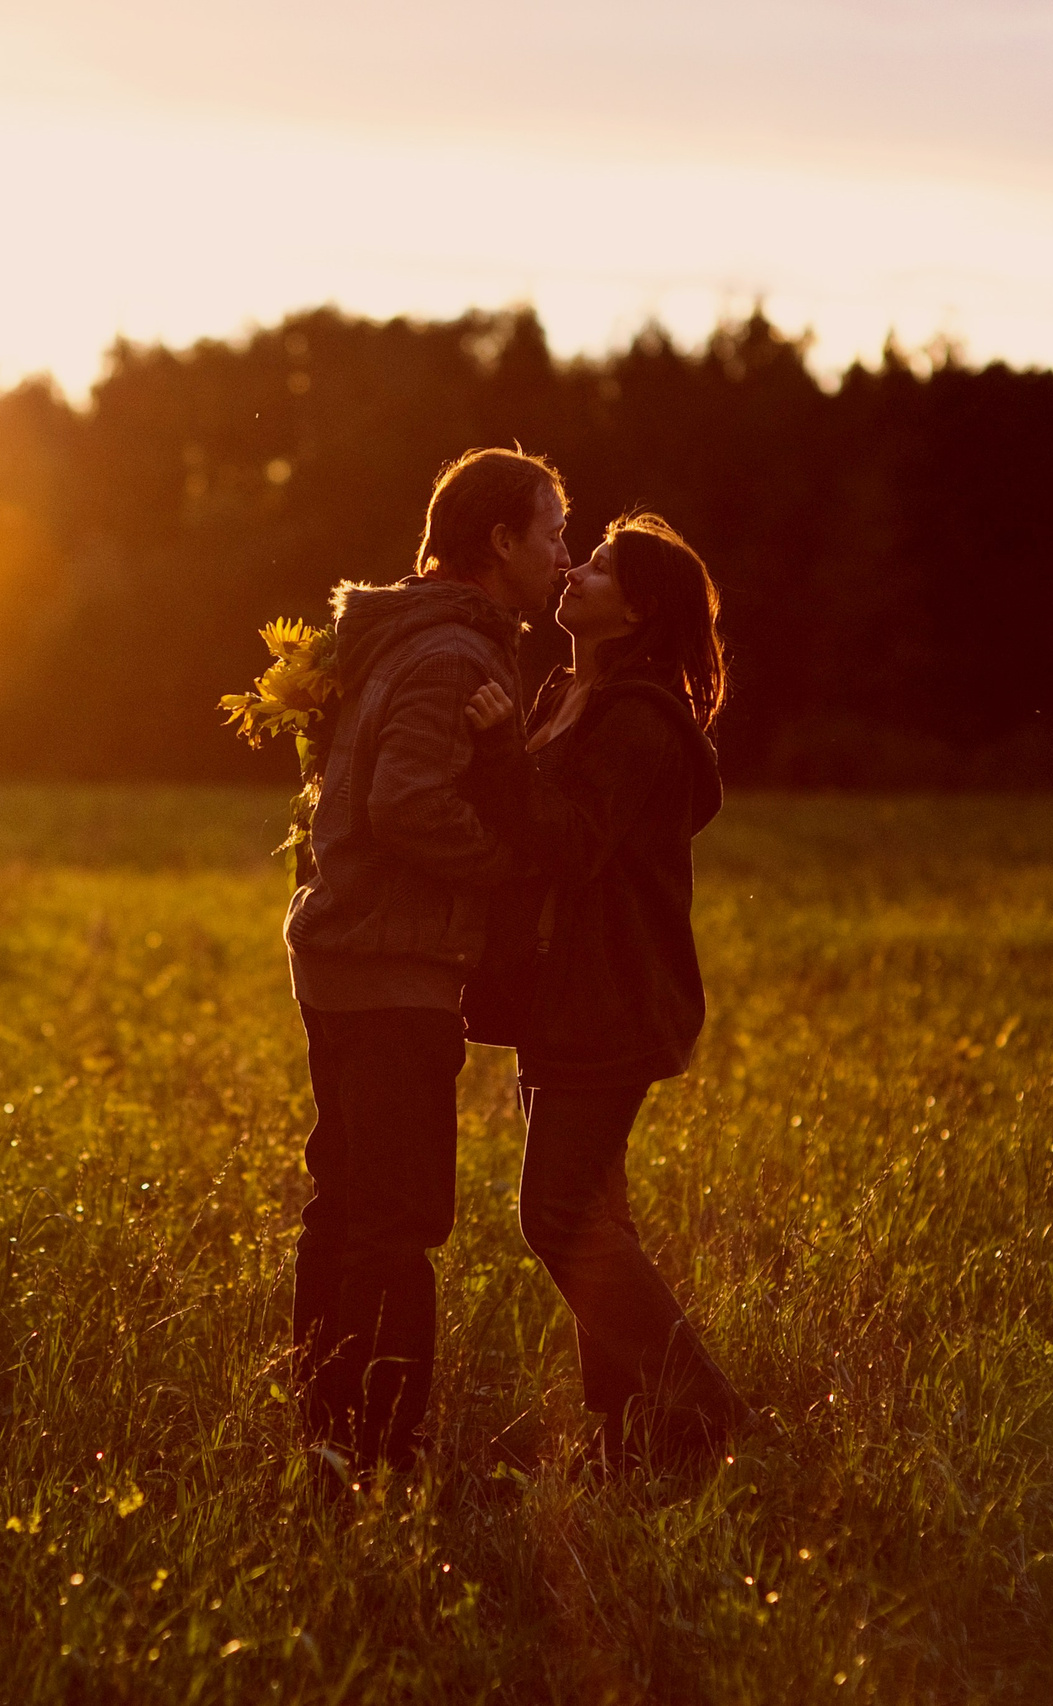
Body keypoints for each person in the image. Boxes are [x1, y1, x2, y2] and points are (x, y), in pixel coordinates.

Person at [285, 446, 571, 1478]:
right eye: (550, 534)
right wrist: (502, 870)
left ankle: (325, 1433)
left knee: (347, 1202)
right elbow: (405, 802)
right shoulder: (454, 654)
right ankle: (381, 1453)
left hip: (346, 952)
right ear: (499, 541)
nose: (561, 557)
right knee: (399, 1220)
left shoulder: (397, 636)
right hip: (391, 961)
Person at [461, 511, 754, 1472]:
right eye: (578, 557)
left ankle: (706, 1411)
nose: (574, 571)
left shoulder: (637, 722)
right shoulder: (566, 693)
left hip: (611, 1002)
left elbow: (571, 843)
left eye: (599, 567)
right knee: (596, 1216)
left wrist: (504, 753)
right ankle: (633, 1445)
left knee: (556, 1217)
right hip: (565, 1000)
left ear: (639, 610)